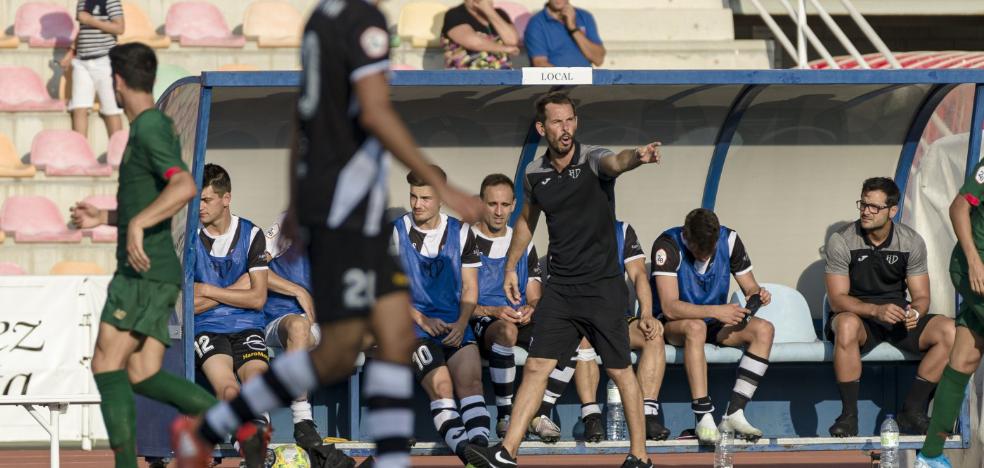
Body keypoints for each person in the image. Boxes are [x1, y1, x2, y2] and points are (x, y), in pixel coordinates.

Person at [171, 0, 484, 466]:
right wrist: (445, 188)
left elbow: (303, 114)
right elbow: (376, 113)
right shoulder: (366, 21)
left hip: (331, 205)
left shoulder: (320, 18)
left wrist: (299, 200)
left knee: (342, 352)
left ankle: (214, 428)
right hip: (349, 211)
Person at [465, 92, 661, 468]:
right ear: (543, 128)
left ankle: (639, 455)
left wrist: (636, 156)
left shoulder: (591, 159)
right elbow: (526, 221)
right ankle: (507, 452)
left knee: (620, 370)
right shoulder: (535, 174)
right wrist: (511, 266)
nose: (565, 128)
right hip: (560, 290)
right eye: (556, 122)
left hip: (603, 289)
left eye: (570, 120)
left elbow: (615, 162)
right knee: (537, 365)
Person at [68, 43, 217, 468]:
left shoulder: (149, 128)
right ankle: (239, 425)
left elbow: (185, 186)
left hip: (140, 271)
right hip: (158, 271)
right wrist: (109, 215)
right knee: (143, 373)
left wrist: (134, 225)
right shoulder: (152, 126)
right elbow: (150, 201)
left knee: (105, 364)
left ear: (115, 82)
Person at [825, 177, 955, 438]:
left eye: (874, 207)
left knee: (952, 331)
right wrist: (875, 310)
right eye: (863, 204)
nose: (865, 211)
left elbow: (920, 296)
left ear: (892, 211)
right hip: (858, 317)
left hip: (896, 317)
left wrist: (914, 312)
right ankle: (848, 416)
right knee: (847, 324)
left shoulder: (911, 241)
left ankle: (913, 410)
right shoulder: (842, 240)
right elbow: (838, 299)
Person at [533, 220, 670, 442]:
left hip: (617, 318)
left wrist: (646, 314)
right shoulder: (565, 229)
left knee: (653, 335)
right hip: (582, 318)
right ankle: (591, 416)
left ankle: (647, 414)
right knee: (584, 336)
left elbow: (638, 276)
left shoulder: (622, 231)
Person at [652, 208, 774, 444]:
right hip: (675, 326)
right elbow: (669, 307)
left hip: (714, 321)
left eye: (710, 251)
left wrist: (757, 295)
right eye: (698, 251)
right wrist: (716, 311)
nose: (704, 257)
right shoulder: (667, 244)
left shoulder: (730, 240)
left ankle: (734, 413)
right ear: (686, 237)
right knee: (696, 327)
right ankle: (703, 416)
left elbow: (750, 286)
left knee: (764, 329)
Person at [393, 166, 491, 461]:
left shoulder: (462, 232)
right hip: (414, 326)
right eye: (413, 197)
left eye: (425, 198)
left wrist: (462, 323)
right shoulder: (395, 232)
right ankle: (469, 455)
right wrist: (421, 319)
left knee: (472, 383)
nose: (417, 204)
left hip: (453, 323)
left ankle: (481, 451)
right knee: (442, 386)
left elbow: (470, 290)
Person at [190, 163, 271, 466]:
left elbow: (258, 299)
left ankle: (253, 442)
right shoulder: (188, 238)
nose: (199, 207)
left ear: (226, 199)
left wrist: (209, 290)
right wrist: (237, 290)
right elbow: (188, 306)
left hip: (248, 325)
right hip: (207, 328)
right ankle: (250, 446)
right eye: (196, 200)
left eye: (207, 200)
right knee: (228, 387)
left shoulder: (251, 234)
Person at [915, 164, 984, 468]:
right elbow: (959, 207)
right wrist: (973, 260)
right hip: (974, 270)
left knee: (963, 362)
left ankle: (930, 456)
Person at [466, 173, 542, 438]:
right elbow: (460, 300)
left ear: (513, 206)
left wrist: (532, 307)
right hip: (482, 320)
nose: (499, 212)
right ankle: (505, 415)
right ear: (481, 204)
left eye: (505, 205)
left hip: (518, 317)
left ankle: (540, 412)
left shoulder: (523, 240)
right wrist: (493, 311)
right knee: (505, 332)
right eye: (492, 204)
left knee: (568, 334)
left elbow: (534, 293)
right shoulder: (465, 239)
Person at [260, 214, 323, 449]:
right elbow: (255, 267)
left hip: (321, 323)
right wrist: (298, 290)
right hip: (281, 319)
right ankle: (302, 419)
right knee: (298, 327)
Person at [60, 0, 125, 137]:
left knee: (111, 110)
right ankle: (79, 153)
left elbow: (119, 28)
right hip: (82, 63)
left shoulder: (111, 1)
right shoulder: (82, 2)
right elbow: (83, 30)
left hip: (105, 61)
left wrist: (91, 20)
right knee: (79, 108)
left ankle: (118, 154)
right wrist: (71, 52)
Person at [523, 0, 605, 67]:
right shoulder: (536, 23)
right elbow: (540, 64)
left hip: (587, 83)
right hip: (555, 85)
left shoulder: (584, 16)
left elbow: (598, 60)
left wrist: (573, 28)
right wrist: (570, 79)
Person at [441, 0, 519, 69]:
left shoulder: (499, 14)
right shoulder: (454, 14)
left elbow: (512, 40)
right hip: (466, 75)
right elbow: (474, 43)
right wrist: (505, 49)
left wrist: (489, 11)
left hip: (502, 74)